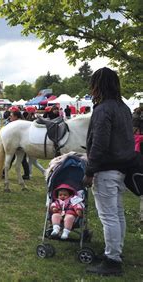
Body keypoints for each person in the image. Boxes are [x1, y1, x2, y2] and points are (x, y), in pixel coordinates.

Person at [83, 67, 135, 276]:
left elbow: (100, 143)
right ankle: (115, 251)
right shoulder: (123, 108)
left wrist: (90, 170)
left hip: (107, 168)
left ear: (98, 86)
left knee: (109, 216)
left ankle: (112, 259)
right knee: (117, 212)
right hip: (122, 167)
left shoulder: (103, 109)